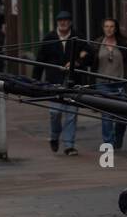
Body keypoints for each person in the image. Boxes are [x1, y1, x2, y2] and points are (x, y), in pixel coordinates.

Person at [34, 10, 87, 155]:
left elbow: (90, 54)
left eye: (66, 21)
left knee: (71, 113)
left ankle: (69, 145)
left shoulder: (78, 37)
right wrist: (35, 81)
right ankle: (54, 136)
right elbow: (40, 60)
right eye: (60, 21)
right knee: (55, 112)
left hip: (72, 82)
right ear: (57, 23)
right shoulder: (49, 38)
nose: (63, 23)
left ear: (70, 23)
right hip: (54, 81)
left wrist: (77, 62)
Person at [92, 17, 127, 150]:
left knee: (122, 114)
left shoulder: (124, 43)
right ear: (103, 28)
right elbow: (91, 61)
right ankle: (108, 143)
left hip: (120, 83)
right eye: (106, 26)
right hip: (103, 83)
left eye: (111, 26)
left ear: (115, 29)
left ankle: (118, 137)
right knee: (106, 115)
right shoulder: (98, 43)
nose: (109, 29)